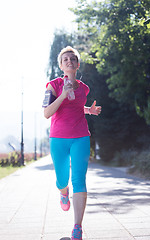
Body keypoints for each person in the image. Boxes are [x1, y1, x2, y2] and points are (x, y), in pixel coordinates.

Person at [43, 46, 101, 240]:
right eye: (65, 59)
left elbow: (76, 107)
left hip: (80, 137)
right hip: (58, 139)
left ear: (77, 64)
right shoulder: (52, 85)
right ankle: (63, 191)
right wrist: (62, 94)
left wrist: (88, 111)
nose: (69, 61)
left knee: (79, 179)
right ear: (61, 65)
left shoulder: (84, 89)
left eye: (72, 58)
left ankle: (77, 227)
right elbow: (47, 113)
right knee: (62, 179)